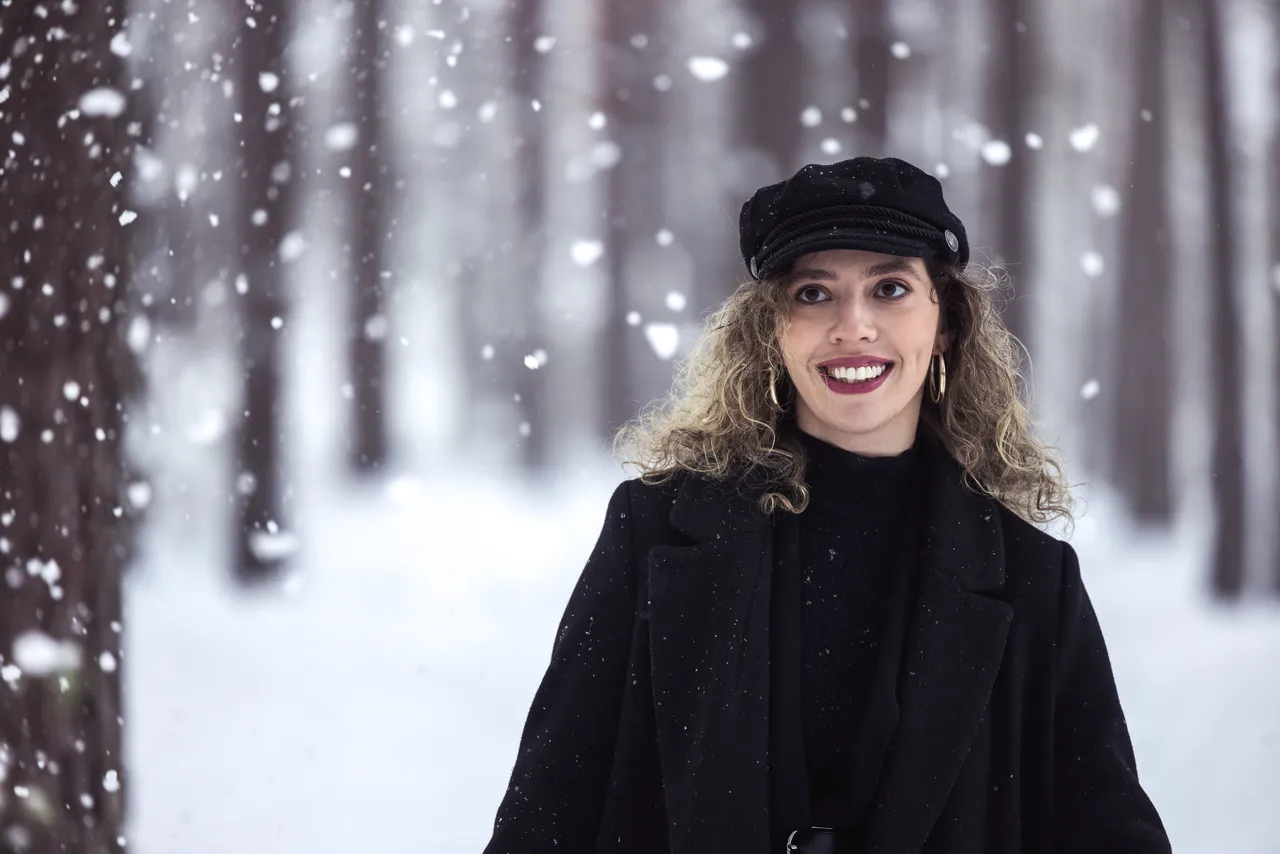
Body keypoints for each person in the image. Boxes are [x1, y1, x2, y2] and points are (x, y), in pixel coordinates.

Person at [480, 156, 1171, 854]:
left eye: (891, 288)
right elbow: (547, 810)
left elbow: (1110, 832)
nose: (853, 326)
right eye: (814, 294)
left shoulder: (1033, 580)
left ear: (946, 327)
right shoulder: (651, 532)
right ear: (771, 333)